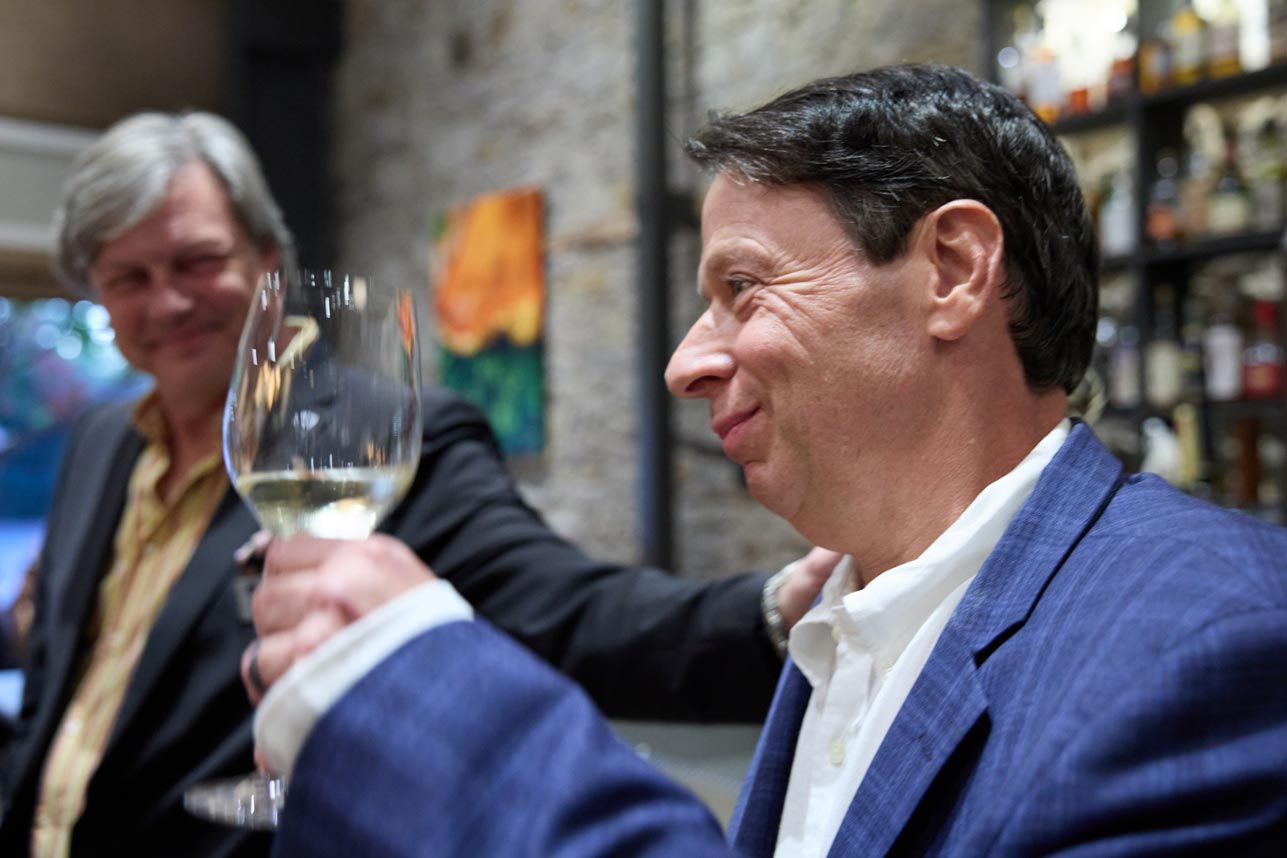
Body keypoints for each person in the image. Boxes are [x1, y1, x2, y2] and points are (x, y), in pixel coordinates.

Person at [250, 63, 1287, 857]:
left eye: (742, 288)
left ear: (953, 270)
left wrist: (428, 704)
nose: (683, 365)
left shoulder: (1213, 640)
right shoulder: (844, 621)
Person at [0, 111, 835, 858]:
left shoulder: (386, 436)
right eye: (129, 277)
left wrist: (769, 612)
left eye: (198, 260)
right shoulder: (100, 442)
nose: (169, 301)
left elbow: (561, 611)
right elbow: (62, 680)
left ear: (265, 259)